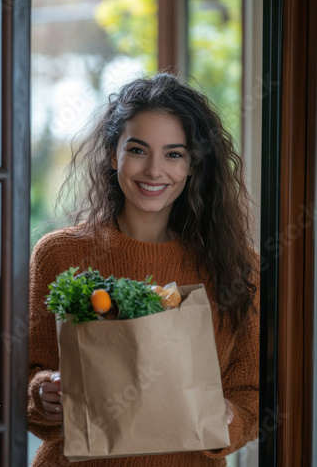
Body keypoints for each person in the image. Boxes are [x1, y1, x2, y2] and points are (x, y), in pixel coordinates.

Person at [28, 73, 259, 467]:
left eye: (174, 154)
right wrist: (42, 394)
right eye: (138, 150)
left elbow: (250, 392)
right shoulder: (59, 254)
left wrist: (228, 417)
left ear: (193, 165)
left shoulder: (236, 264)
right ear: (113, 154)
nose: (154, 170)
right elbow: (24, 376)